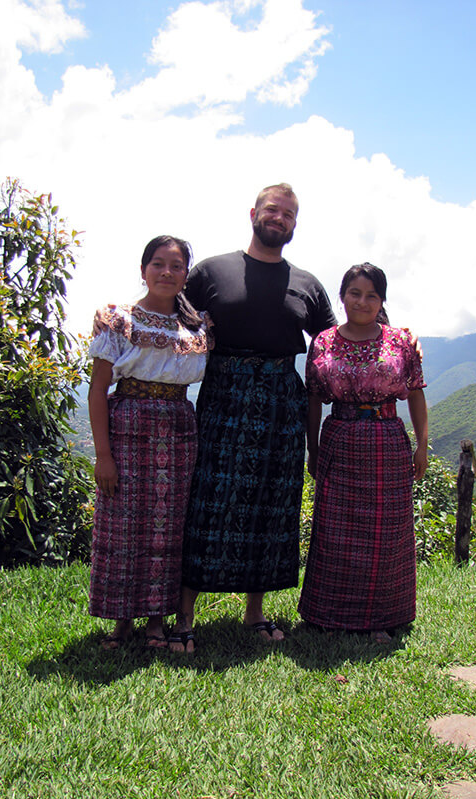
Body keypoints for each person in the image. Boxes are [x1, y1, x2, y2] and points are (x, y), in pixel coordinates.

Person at [172, 183, 336, 650]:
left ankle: (254, 611)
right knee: (208, 498)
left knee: (272, 502)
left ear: (294, 224)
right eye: (272, 209)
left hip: (284, 400)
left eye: (287, 213)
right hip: (222, 394)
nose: (278, 218)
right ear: (253, 213)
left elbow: (330, 347)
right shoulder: (209, 272)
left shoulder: (307, 285)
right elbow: (171, 313)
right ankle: (184, 614)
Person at [87, 235, 213, 650]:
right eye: (158, 264)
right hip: (127, 424)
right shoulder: (119, 319)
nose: (166, 272)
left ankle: (158, 620)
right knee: (123, 522)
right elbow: (98, 389)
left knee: (168, 523)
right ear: (143, 270)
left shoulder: (196, 327)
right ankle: (121, 621)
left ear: (185, 276)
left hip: (178, 428)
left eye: (176, 266)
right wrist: (103, 456)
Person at [298, 263, 428, 643]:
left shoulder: (401, 341)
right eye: (355, 293)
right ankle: (328, 613)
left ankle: (383, 617)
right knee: (335, 530)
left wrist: (421, 445)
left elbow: (417, 393)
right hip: (339, 437)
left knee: (386, 532)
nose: (362, 301)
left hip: (387, 440)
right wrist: (313, 449)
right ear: (342, 297)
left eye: (372, 294)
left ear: (382, 300)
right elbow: (313, 400)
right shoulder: (322, 342)